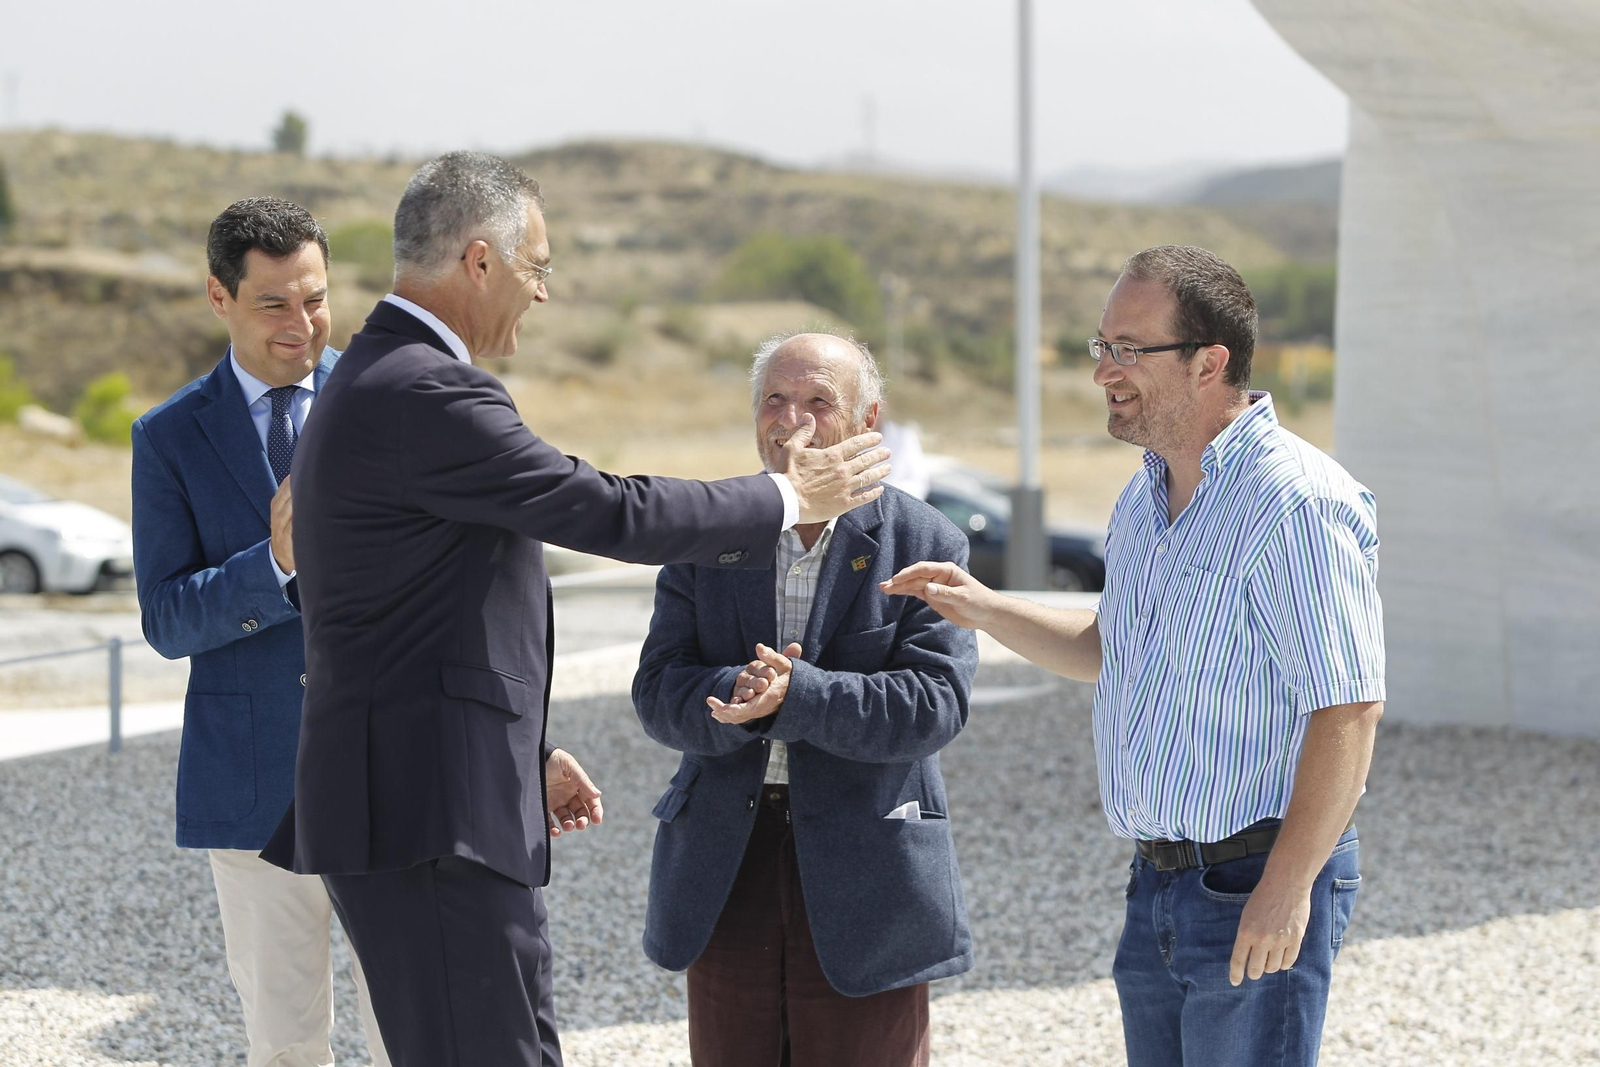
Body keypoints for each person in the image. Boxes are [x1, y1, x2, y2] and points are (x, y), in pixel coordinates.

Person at [259, 153, 891, 1067]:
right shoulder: (426, 391)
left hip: (433, 798)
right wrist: (787, 497)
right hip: (430, 816)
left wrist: (524, 752)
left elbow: (411, 620)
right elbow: (608, 508)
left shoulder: (378, 381)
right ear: (480, 262)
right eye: (537, 267)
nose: (543, 294)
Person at [883, 245, 1385, 1067]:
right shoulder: (1144, 495)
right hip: (1157, 883)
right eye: (1100, 347)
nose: (1103, 371)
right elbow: (1111, 648)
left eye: (1128, 349)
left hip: (1253, 878)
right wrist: (977, 604)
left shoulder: (1295, 500)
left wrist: (1287, 889)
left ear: (1209, 363)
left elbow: (1349, 707)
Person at [633, 332, 977, 1067]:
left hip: (869, 874)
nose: (793, 419)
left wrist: (799, 697)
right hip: (727, 867)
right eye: (775, 399)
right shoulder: (710, 531)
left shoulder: (924, 538)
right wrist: (733, 693)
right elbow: (657, 687)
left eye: (820, 400)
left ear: (867, 420)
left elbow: (934, 703)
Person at [132, 197, 389, 1067]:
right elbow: (167, 618)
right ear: (219, 296)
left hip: (392, 775)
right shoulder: (167, 437)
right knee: (283, 1044)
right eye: (273, 302)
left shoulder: (391, 403)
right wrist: (273, 567)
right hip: (249, 792)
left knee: (413, 1031)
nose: (302, 324)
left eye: (315, 299)